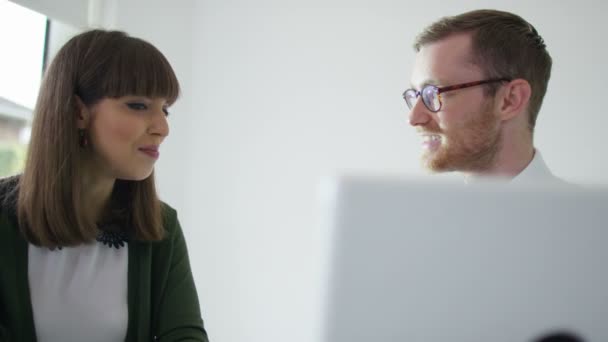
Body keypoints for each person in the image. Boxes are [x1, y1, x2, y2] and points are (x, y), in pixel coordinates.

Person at [0, 30, 208, 341]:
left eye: (164, 110)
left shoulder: (162, 228)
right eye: (138, 105)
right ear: (78, 112)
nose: (162, 128)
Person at [403, 9, 567, 184]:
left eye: (434, 93)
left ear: (510, 100)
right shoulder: (420, 210)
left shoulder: (586, 212)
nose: (413, 118)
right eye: (416, 95)